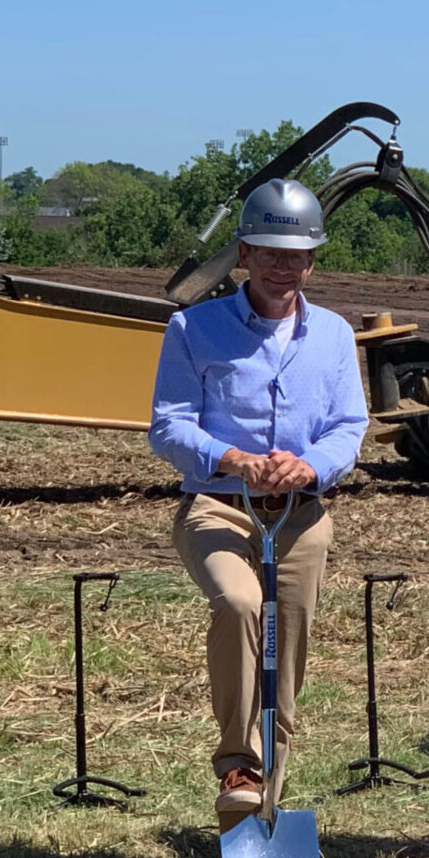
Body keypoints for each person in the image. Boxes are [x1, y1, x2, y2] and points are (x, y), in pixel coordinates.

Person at [149, 178, 367, 816]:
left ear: (312, 260)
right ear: (243, 254)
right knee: (242, 604)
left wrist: (309, 467)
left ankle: (271, 784)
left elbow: (349, 428)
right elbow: (169, 425)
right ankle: (239, 767)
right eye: (269, 253)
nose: (283, 267)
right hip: (217, 506)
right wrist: (233, 459)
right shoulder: (193, 328)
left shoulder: (332, 335)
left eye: (296, 255)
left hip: (300, 515)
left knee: (288, 639)